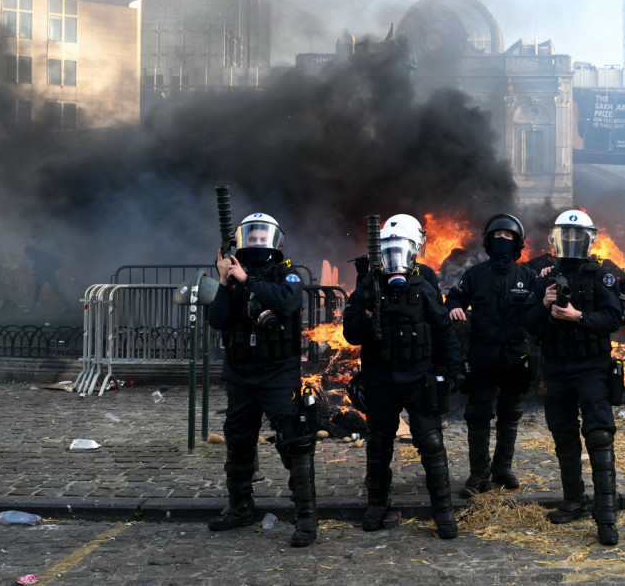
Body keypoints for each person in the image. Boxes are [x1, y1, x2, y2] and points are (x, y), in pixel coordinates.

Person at [343, 212, 465, 539]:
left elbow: (443, 330)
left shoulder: (424, 287)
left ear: (413, 252)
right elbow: (351, 334)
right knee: (378, 443)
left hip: (418, 376)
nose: (394, 257)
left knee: (431, 442)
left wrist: (453, 369)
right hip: (380, 378)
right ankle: (376, 506)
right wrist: (368, 310)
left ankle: (443, 510)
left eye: (401, 249)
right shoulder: (366, 287)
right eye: (388, 250)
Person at [207, 213, 318, 547]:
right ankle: (240, 507)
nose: (256, 243)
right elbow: (217, 319)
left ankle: (306, 516)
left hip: (278, 373)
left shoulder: (287, 274)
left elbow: (288, 300)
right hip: (241, 373)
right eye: (251, 237)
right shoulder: (232, 276)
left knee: (294, 440)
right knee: (239, 440)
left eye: (261, 237)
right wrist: (225, 281)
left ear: (274, 241)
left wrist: (249, 280)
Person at [524, 210, 624, 546]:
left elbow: (613, 318)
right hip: (557, 368)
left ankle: (606, 514)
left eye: (577, 237)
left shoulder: (601, 276)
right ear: (555, 241)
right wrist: (543, 302)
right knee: (564, 436)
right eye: (565, 237)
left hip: (592, 367)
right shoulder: (545, 279)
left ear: (589, 241)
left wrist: (578, 316)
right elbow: (529, 324)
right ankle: (574, 501)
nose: (571, 243)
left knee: (599, 436)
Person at [446, 214, 538, 496]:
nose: (502, 240)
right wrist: (454, 307)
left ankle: (503, 469)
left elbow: (542, 306)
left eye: (508, 236)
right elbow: (455, 297)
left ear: (517, 243)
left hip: (515, 357)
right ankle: (478, 474)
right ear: (488, 241)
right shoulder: (475, 275)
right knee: (478, 416)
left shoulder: (528, 276)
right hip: (483, 356)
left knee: (510, 415)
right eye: (497, 235)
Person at [26, 231, 70, 312]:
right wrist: (28, 251)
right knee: (50, 289)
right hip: (45, 271)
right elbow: (33, 257)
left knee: (43, 289)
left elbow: (36, 257)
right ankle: (67, 306)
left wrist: (29, 251)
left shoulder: (42, 245)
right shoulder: (39, 244)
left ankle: (32, 308)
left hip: (45, 271)